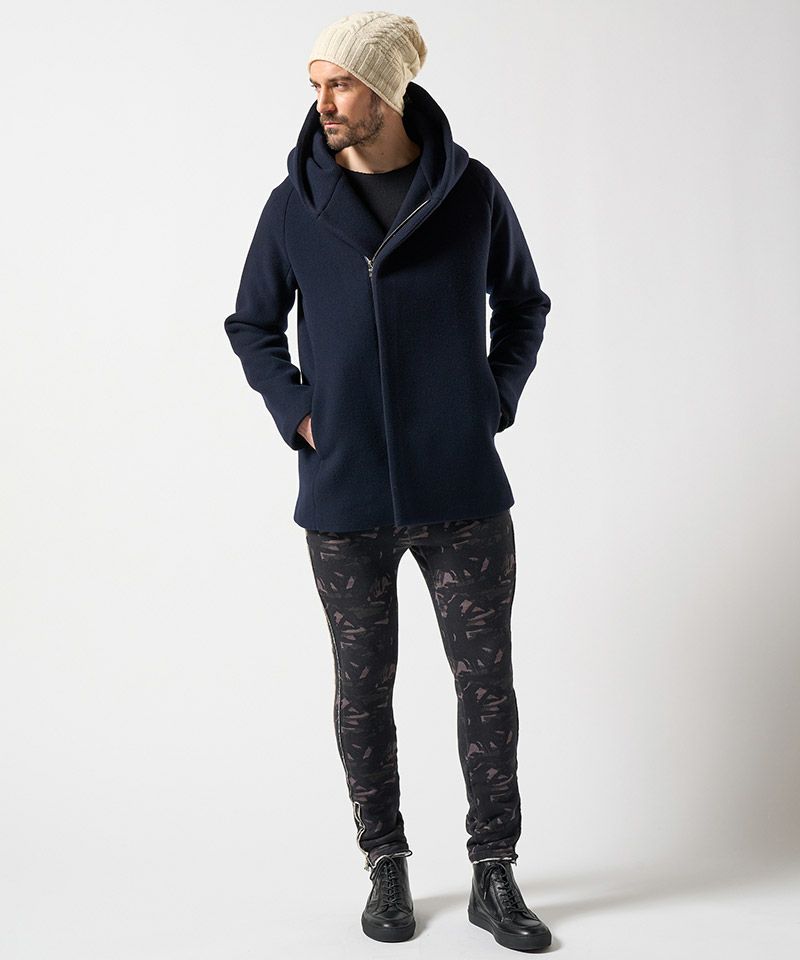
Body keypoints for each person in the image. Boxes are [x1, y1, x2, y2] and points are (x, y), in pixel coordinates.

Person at [223, 10, 553, 952]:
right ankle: (386, 863)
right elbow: (251, 324)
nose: (325, 103)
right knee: (361, 690)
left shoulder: (471, 193)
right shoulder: (294, 205)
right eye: (317, 85)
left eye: (342, 84)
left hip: (462, 491)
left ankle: (495, 872)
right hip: (345, 497)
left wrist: (491, 399)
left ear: (387, 90)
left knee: (486, 685)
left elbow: (523, 304)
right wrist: (299, 411)